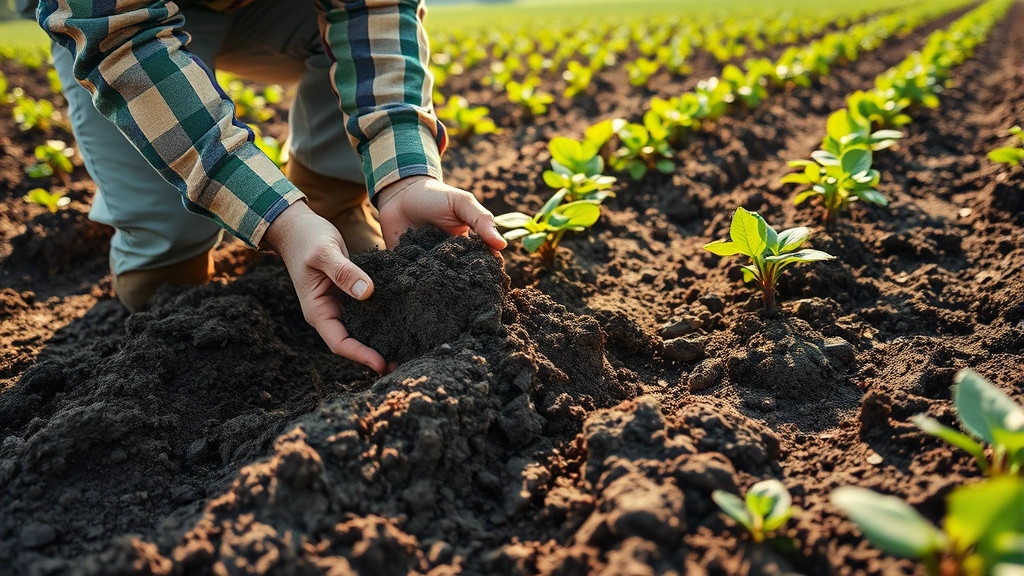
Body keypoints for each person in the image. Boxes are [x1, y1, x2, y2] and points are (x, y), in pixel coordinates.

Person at [23, 0, 507, 374]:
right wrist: (281, 220)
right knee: (167, 251)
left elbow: (376, 9)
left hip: (274, 10)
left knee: (349, 40)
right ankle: (170, 276)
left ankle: (330, 209)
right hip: (119, 23)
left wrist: (406, 176)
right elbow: (120, 37)